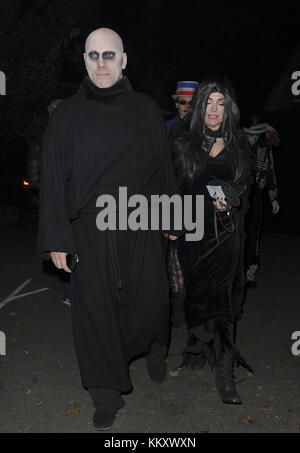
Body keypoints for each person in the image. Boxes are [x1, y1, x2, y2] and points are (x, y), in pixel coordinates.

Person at [38, 28, 181, 430]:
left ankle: (155, 344)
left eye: (109, 55)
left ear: (123, 60)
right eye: (94, 55)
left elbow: (162, 170)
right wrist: (57, 239)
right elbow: (52, 181)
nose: (101, 62)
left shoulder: (145, 110)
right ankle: (105, 392)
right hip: (89, 229)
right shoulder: (66, 115)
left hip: (140, 221)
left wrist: (170, 218)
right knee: (94, 311)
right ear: (84, 60)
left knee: (149, 301)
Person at [170, 76, 253, 404]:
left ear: (228, 107)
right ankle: (195, 349)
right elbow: (171, 185)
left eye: (221, 103)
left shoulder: (239, 142)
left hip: (226, 230)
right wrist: (169, 220)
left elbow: (244, 185)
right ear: (199, 105)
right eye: (209, 103)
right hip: (193, 229)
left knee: (220, 301)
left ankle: (225, 373)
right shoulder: (181, 141)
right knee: (195, 295)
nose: (214, 110)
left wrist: (231, 197)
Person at [26, 99, 72, 305]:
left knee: (65, 241)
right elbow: (33, 172)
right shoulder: (48, 136)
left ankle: (72, 290)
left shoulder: (70, 133)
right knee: (61, 242)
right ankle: (71, 290)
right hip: (59, 198)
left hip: (59, 198)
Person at [243, 114, 280, 288]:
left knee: (253, 235)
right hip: (238, 196)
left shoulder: (264, 147)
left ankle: (250, 273)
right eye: (249, 134)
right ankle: (237, 273)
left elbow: (270, 172)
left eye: (255, 134)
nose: (252, 137)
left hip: (255, 196)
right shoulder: (237, 145)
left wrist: (273, 198)